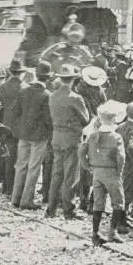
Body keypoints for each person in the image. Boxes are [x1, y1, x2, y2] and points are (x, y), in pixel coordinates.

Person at [79, 102, 126, 245]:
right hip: (111, 172)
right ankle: (113, 232)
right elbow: (121, 157)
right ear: (113, 119)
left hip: (97, 172)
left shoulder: (92, 135)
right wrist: (119, 172)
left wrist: (87, 166)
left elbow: (81, 151)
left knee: (98, 203)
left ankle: (95, 233)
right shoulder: (116, 137)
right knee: (118, 202)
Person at [47, 64, 90, 219]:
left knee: (56, 173)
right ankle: (68, 210)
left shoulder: (52, 95)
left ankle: (50, 209)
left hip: (57, 136)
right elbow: (85, 120)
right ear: (73, 79)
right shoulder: (75, 98)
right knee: (71, 175)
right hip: (71, 138)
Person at [11, 60, 53, 210]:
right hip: (39, 136)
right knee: (34, 168)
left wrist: (20, 128)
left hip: (23, 134)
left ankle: (15, 198)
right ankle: (26, 200)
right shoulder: (47, 95)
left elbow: (15, 113)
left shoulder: (23, 91)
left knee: (21, 165)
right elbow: (49, 120)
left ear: (35, 75)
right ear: (48, 78)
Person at [117, 101, 133, 230]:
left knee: (122, 187)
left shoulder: (120, 126)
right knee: (128, 189)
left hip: (119, 161)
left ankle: (122, 216)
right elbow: (131, 148)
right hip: (130, 164)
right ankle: (122, 219)